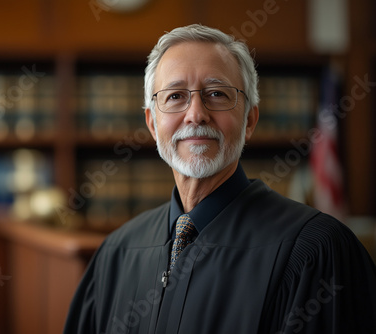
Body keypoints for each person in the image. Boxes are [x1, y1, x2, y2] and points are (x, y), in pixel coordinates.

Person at [64, 24, 376, 334]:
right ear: (152, 123)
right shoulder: (116, 254)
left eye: (216, 93)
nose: (196, 113)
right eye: (175, 96)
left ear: (250, 120)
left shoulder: (316, 251)